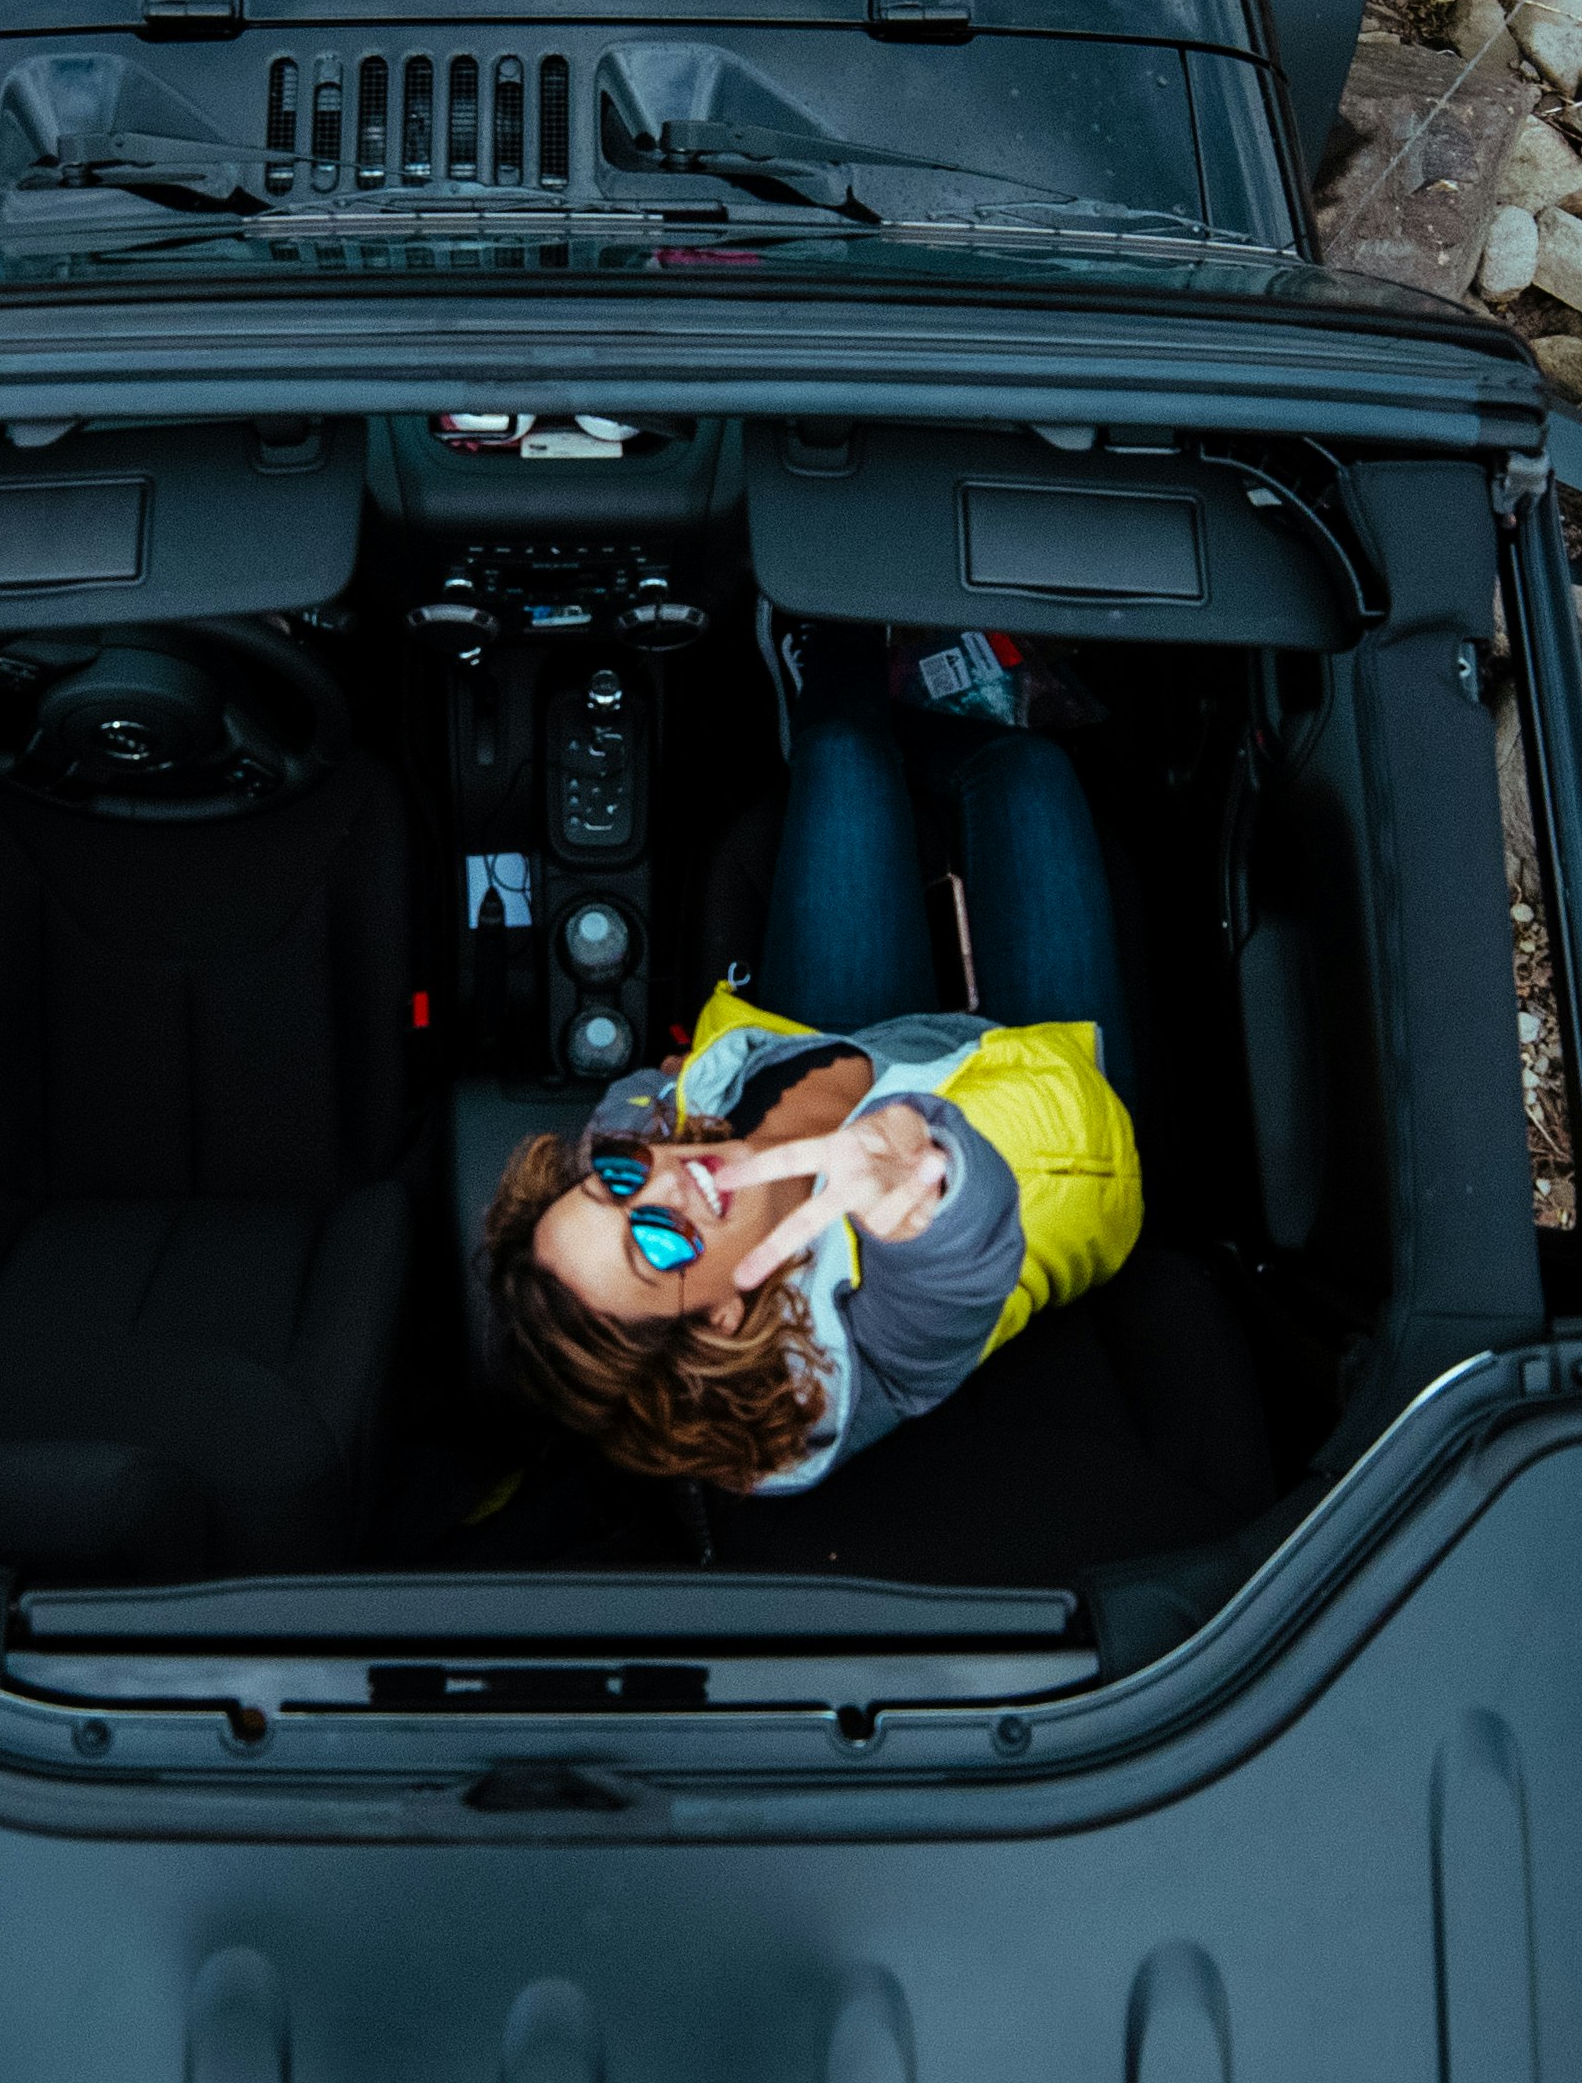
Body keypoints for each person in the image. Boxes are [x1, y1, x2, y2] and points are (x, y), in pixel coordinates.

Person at [479, 627, 1141, 1495]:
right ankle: (913, 696)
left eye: (613, 1179)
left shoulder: (646, 1150)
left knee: (842, 751)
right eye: (654, 1241)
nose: (664, 1183)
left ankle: (849, 665)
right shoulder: (856, 1356)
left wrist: (639, 1126)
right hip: (1057, 1102)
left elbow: (630, 1107)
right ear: (717, 1321)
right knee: (1025, 775)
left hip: (853, 1041)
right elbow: (953, 1271)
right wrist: (930, 1178)